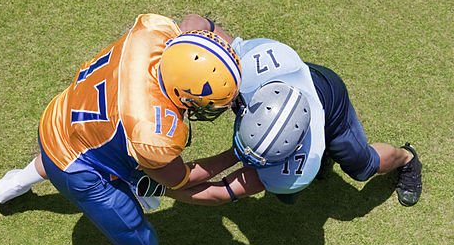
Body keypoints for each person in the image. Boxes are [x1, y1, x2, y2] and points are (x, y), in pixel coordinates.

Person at [0, 14, 242, 245]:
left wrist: (231, 56)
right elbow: (179, 179)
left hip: (60, 119)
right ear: (184, 91)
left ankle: (18, 181)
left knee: (82, 140)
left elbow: (199, 21)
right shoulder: (155, 130)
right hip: (79, 169)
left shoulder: (155, 36)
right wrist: (235, 154)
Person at [164, 36, 423, 208]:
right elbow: (201, 27)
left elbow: (222, 191)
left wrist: (161, 189)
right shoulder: (248, 72)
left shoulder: (298, 169)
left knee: (362, 166)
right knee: (285, 195)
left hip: (329, 100)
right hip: (297, 82)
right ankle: (326, 158)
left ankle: (407, 158)